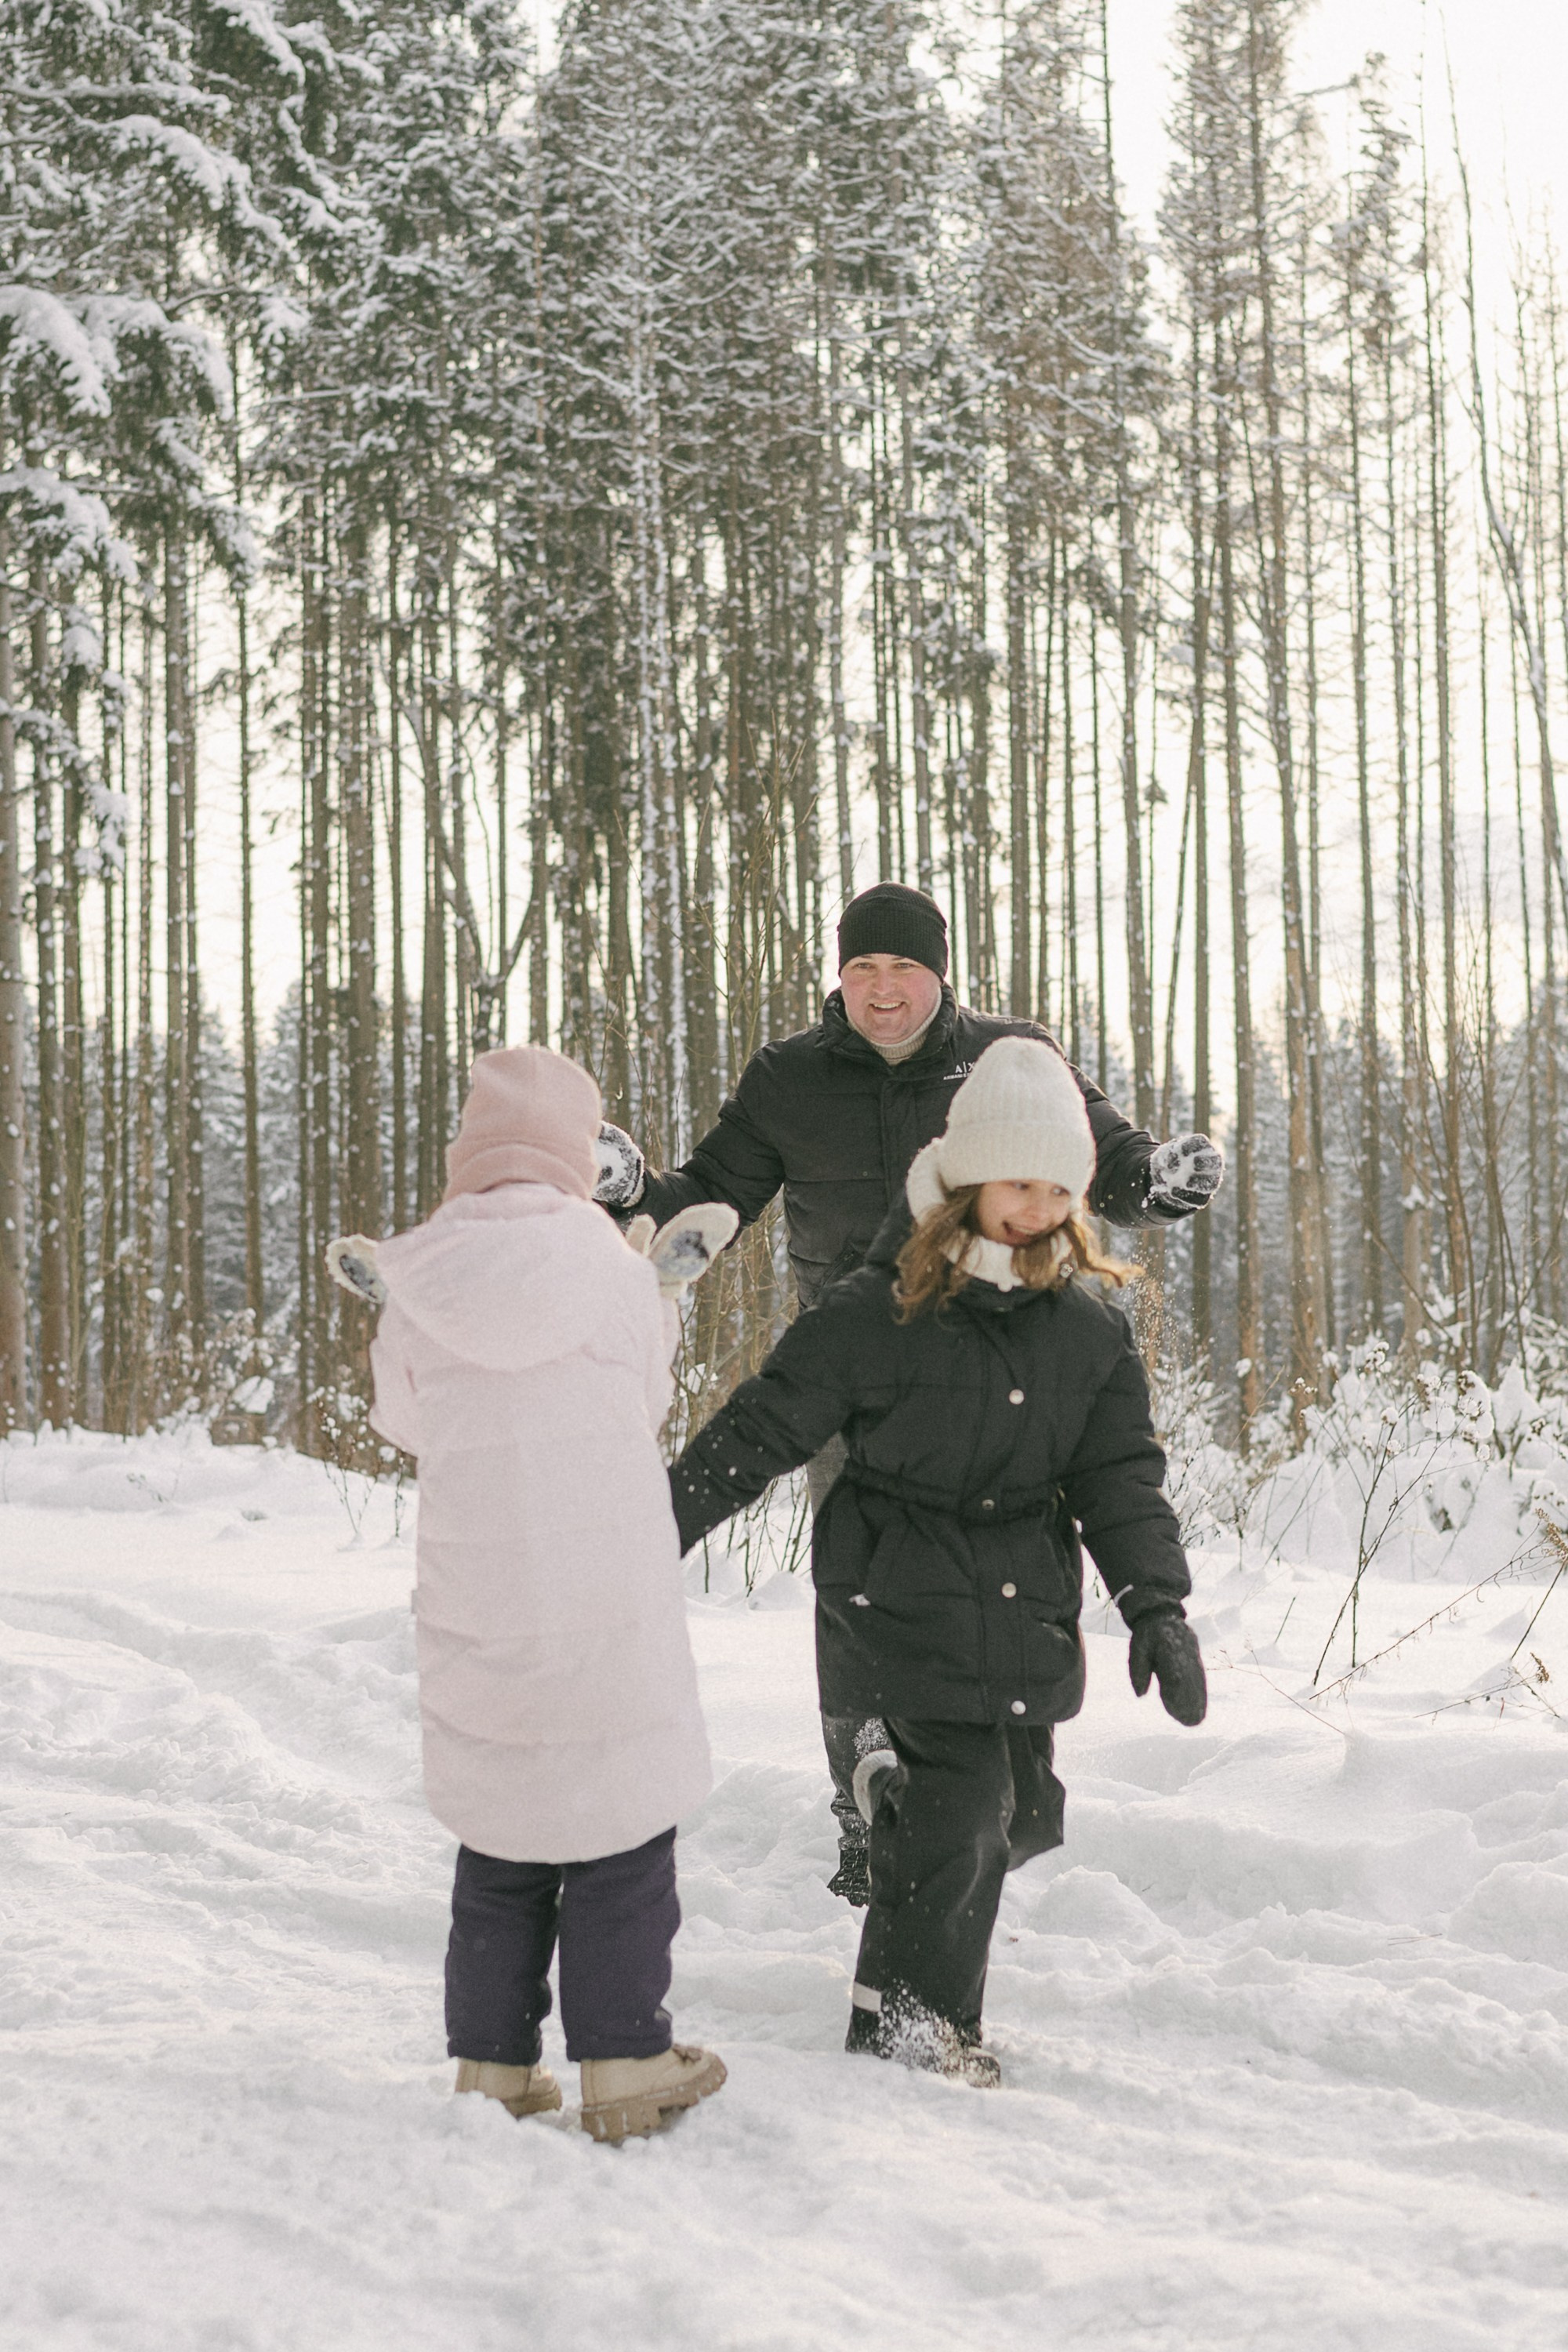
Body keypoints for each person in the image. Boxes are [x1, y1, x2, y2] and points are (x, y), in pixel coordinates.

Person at [592, 880, 1222, 1903]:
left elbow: (1100, 1159)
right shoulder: (790, 1080)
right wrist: (630, 1190)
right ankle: (866, 1820)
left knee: (995, 1586)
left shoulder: (1009, 1060)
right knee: (856, 1596)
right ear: (839, 978)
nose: (883, 992)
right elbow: (711, 1195)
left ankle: (982, 1796)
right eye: (862, 971)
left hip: (1001, 1368)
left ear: (941, 974)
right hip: (853, 1374)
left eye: (904, 970)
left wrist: (1158, 1180)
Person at [664, 1036, 1207, 2085]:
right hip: (897, 1582)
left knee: (1016, 1811)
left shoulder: (1089, 1329)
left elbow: (1120, 1481)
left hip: (1021, 1597)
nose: (1038, 1206)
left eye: (1059, 1186)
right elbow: (764, 1427)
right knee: (963, 1814)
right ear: (964, 1180)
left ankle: (890, 1869)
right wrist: (656, 1531)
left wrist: (1157, 1608)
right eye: (1017, 1182)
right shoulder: (881, 1307)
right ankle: (914, 2026)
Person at [367, 1044, 734, 2143]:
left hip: (479, 1586)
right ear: (577, 1153)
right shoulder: (613, 1268)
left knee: (502, 1826)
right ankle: (624, 2061)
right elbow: (644, 1400)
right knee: (617, 1825)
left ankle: (492, 2066)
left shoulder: (418, 1275)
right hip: (602, 1582)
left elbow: (405, 1420)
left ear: (470, 1153)